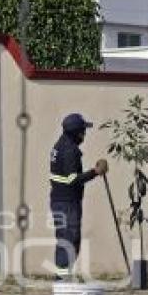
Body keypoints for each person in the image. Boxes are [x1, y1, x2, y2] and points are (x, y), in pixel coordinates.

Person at [49, 113, 108, 281]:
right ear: (77, 133)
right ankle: (61, 282)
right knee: (69, 240)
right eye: (83, 131)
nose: (85, 135)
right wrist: (95, 172)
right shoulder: (70, 151)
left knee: (65, 240)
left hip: (60, 200)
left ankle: (62, 278)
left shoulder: (60, 145)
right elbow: (73, 179)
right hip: (67, 203)